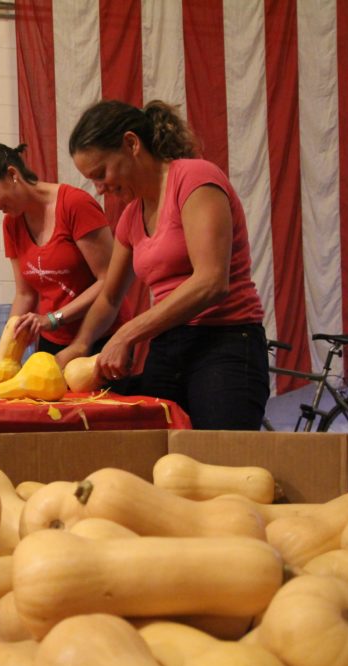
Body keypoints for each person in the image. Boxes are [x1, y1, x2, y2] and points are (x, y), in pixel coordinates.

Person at [55, 100, 269, 430]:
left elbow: (212, 281)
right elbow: (110, 298)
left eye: (101, 173)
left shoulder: (195, 178)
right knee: (158, 456)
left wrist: (128, 334)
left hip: (225, 340)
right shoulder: (130, 216)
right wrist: (79, 346)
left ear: (131, 143)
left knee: (221, 463)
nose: (99, 188)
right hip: (170, 344)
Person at [0, 142, 129, 357]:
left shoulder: (74, 204)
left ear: (12, 174)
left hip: (101, 338)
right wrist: (5, 347)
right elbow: (25, 294)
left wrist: (54, 318)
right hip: (52, 340)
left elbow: (109, 279)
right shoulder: (11, 223)